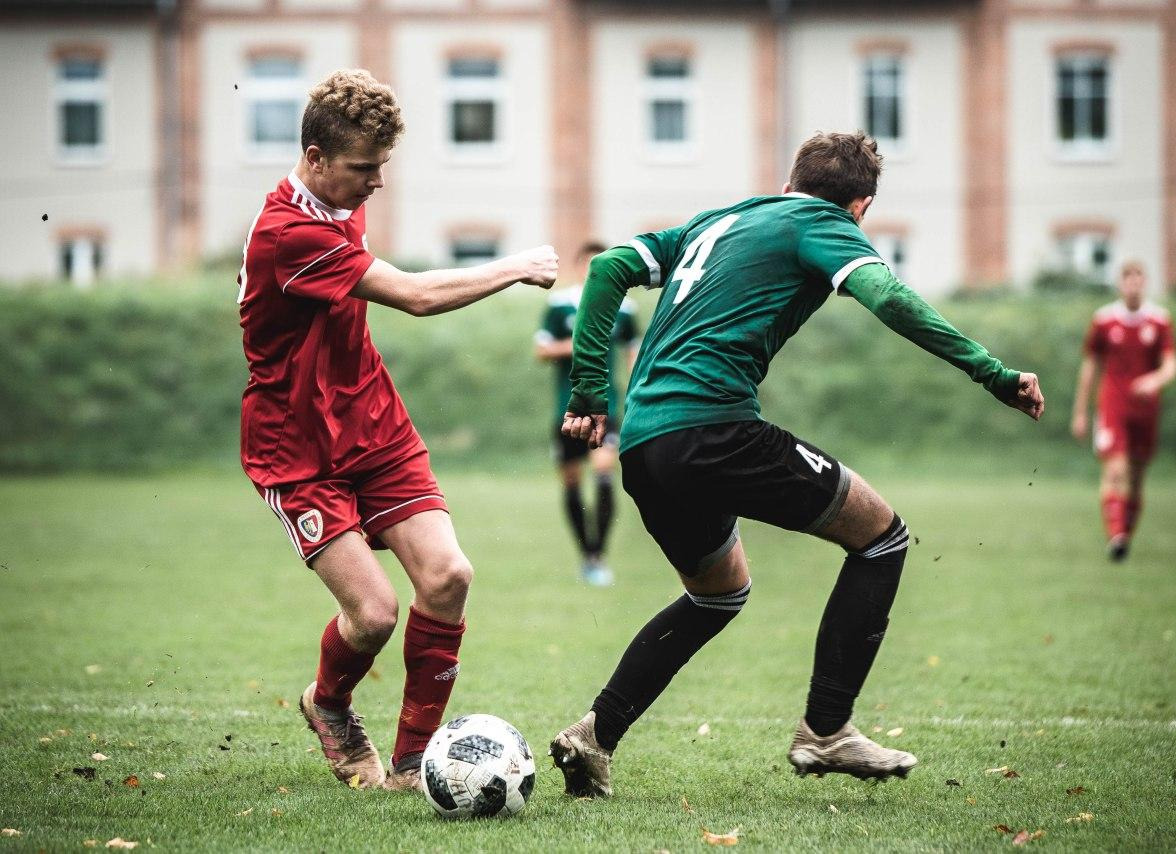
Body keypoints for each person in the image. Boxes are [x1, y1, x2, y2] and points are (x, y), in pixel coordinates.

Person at [549, 131, 1044, 797]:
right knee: (882, 537)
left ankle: (595, 736)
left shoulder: (720, 220)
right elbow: (890, 298)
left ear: (789, 183)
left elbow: (609, 267)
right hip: (715, 429)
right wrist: (993, 373)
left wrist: (589, 392)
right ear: (861, 207)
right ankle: (827, 729)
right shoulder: (825, 223)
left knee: (717, 594)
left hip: (644, 445)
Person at [235, 69, 557, 791]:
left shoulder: (338, 200)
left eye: (381, 165)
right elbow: (413, 295)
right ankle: (328, 703)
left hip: (374, 426)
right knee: (375, 614)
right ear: (315, 157)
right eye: (363, 168)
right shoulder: (289, 234)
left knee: (449, 577)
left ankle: (415, 761)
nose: (376, 182)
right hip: (297, 447)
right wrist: (515, 266)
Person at [535, 241, 641, 586]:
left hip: (606, 407)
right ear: (580, 267)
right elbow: (542, 350)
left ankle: (598, 555)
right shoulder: (560, 305)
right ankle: (586, 554)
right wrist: (577, 343)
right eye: (589, 264)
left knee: (604, 470)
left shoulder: (623, 308)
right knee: (572, 482)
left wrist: (638, 391)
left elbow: (633, 353)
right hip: (567, 408)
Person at [1070, 260, 1176, 561]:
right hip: (1113, 405)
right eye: (1127, 278)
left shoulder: (1159, 321)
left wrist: (1155, 380)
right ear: (1120, 283)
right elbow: (1090, 367)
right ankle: (1116, 536)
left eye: (1138, 278)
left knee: (1137, 476)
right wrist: (1080, 411)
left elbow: (1171, 365)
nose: (1133, 284)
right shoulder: (1104, 320)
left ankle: (1124, 536)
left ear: (1145, 282)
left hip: (1145, 409)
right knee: (1116, 470)